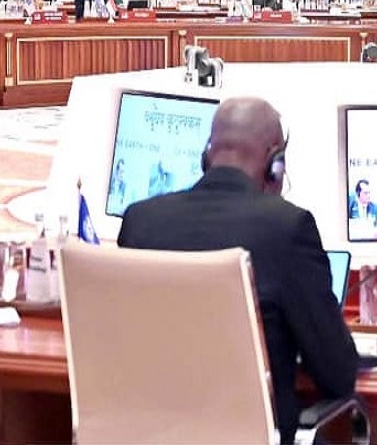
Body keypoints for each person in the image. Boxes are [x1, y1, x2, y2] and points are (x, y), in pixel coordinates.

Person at [117, 97, 357, 445]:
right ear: (275, 163)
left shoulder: (141, 222)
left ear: (207, 155)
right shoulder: (288, 228)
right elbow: (337, 373)